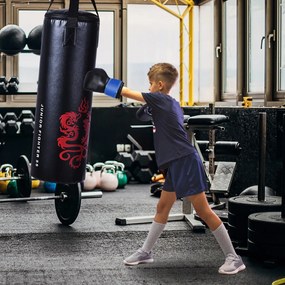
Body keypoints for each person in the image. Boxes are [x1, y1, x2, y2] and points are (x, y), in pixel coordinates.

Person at [84, 62, 246, 275]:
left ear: (159, 85)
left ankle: (234, 258)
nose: (148, 87)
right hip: (176, 163)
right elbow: (144, 113)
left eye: (150, 84)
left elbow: (126, 92)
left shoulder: (160, 99)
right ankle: (146, 252)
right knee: (162, 207)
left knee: (203, 211)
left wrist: (104, 84)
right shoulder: (168, 103)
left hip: (185, 162)